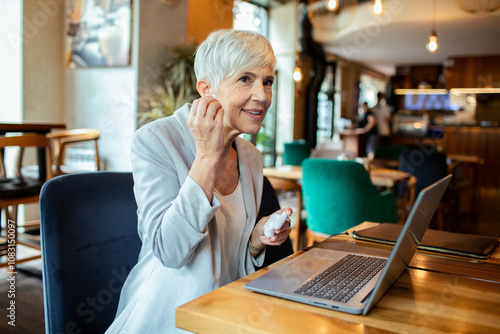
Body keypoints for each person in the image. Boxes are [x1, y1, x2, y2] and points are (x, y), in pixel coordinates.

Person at [106, 29, 292, 333]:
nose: (262, 95)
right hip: (167, 315)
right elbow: (171, 251)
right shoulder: (155, 140)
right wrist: (207, 154)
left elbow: (230, 263)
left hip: (225, 313)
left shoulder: (251, 157)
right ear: (207, 90)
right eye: (245, 79)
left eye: (267, 81)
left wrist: (257, 239)